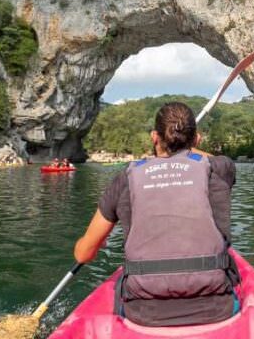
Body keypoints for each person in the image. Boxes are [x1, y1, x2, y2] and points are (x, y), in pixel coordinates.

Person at [73, 102, 239, 327]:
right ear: (197, 140)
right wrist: (186, 147)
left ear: (154, 136)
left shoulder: (126, 178)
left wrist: (92, 243)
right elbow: (212, 160)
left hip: (143, 314)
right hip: (216, 309)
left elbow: (83, 255)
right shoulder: (220, 169)